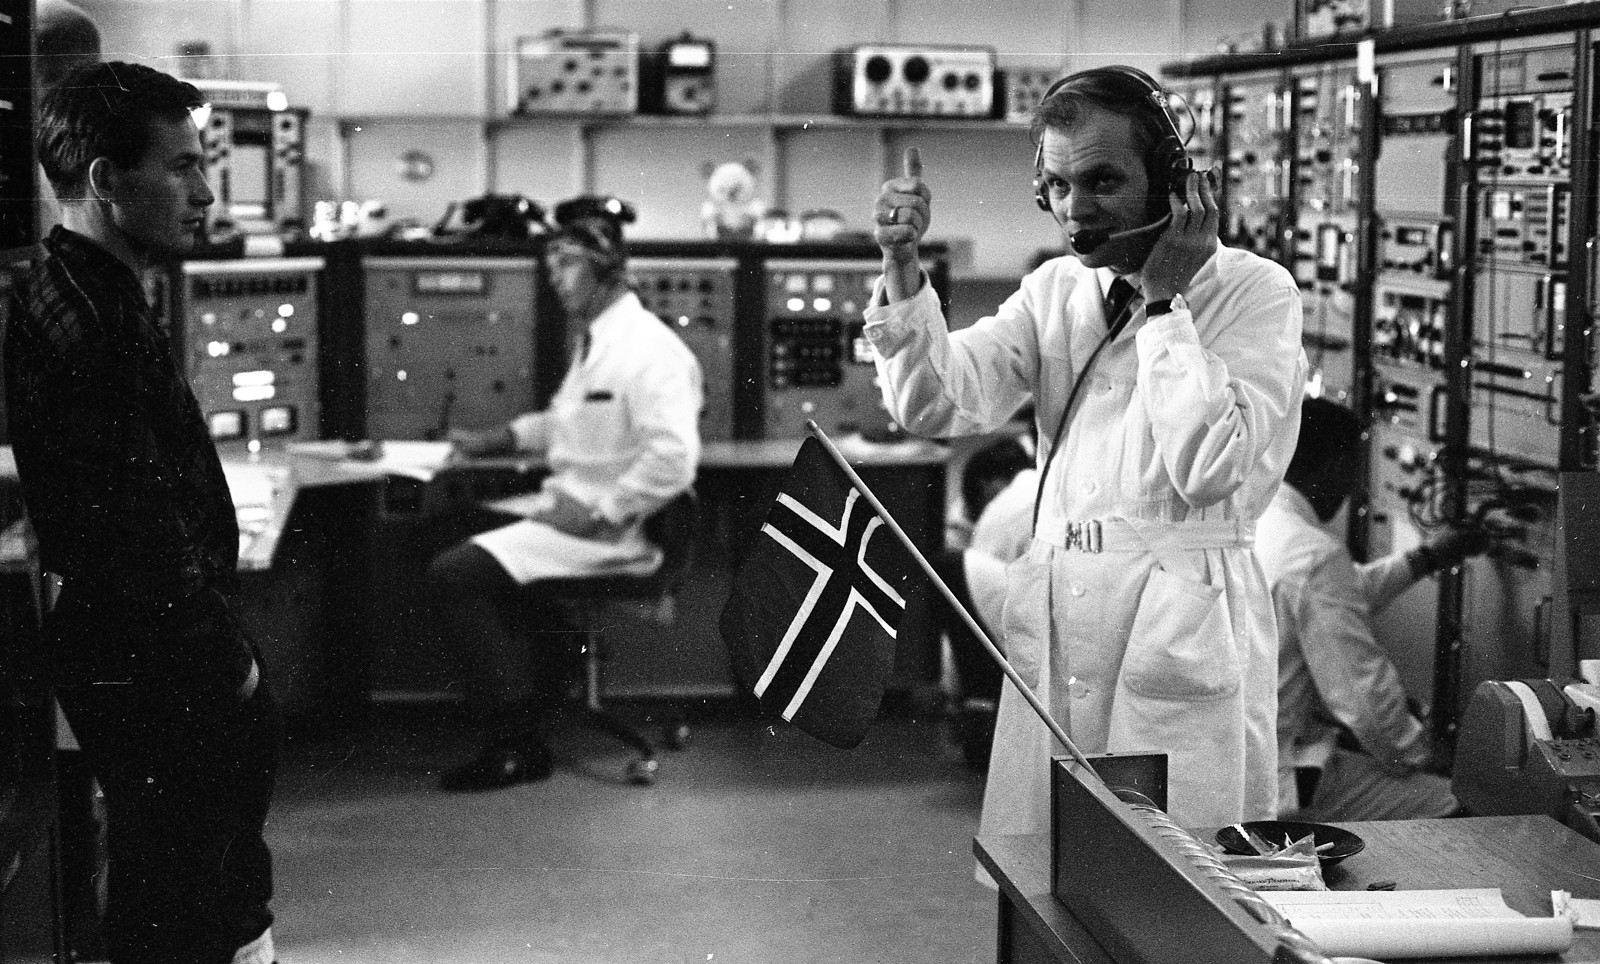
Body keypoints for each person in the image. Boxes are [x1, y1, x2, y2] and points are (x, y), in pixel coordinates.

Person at [866, 65, 1306, 833]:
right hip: (1066, 613)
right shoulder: (1056, 292)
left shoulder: (1255, 294)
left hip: (1177, 624)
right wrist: (902, 272)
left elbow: (1210, 468)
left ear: (1173, 184)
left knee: (1177, 884)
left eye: (1102, 181)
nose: (1077, 210)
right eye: (1060, 187)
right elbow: (934, 402)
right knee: (1047, 872)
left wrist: (1167, 304)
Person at [5, 62, 280, 964]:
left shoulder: (69, 286)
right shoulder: (100, 325)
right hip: (159, 651)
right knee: (195, 898)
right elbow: (138, 533)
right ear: (103, 181)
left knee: (174, 884)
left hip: (127, 642)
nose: (204, 194)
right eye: (182, 168)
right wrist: (229, 665)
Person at [430, 195, 703, 792]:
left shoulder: (649, 350)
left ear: (607, 267)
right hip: (571, 512)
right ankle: (534, 700)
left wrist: (601, 511)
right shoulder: (596, 341)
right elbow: (563, 420)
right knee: (449, 534)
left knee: (456, 573)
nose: (555, 277)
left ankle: (517, 743)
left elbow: (676, 459)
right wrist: (494, 439)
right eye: (550, 263)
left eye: (567, 262)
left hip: (612, 532)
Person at [1256, 397, 1486, 821]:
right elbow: (1362, 696)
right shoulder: (1312, 555)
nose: (1353, 488)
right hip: (1279, 775)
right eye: (1351, 469)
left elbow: (1344, 592)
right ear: (1330, 466)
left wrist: (1427, 558)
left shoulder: (1263, 522)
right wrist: (1423, 754)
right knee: (1452, 803)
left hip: (1255, 753)